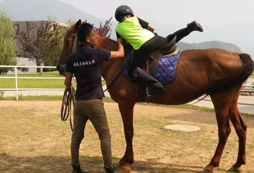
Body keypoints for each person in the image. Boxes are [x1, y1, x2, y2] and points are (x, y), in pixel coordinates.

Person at [65, 22, 124, 173]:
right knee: (104, 135)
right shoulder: (98, 53)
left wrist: (69, 87)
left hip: (79, 103)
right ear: (88, 39)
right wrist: (120, 43)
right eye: (93, 35)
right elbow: (120, 54)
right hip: (95, 102)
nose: (94, 37)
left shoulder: (71, 58)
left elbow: (67, 82)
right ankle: (108, 167)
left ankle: (75, 166)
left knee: (76, 136)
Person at [115, 5, 203, 96]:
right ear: (129, 15)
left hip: (144, 46)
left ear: (119, 18)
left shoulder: (118, 28)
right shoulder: (135, 19)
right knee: (170, 39)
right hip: (154, 38)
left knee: (132, 70)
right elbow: (152, 28)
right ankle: (191, 27)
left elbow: (120, 43)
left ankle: (155, 84)